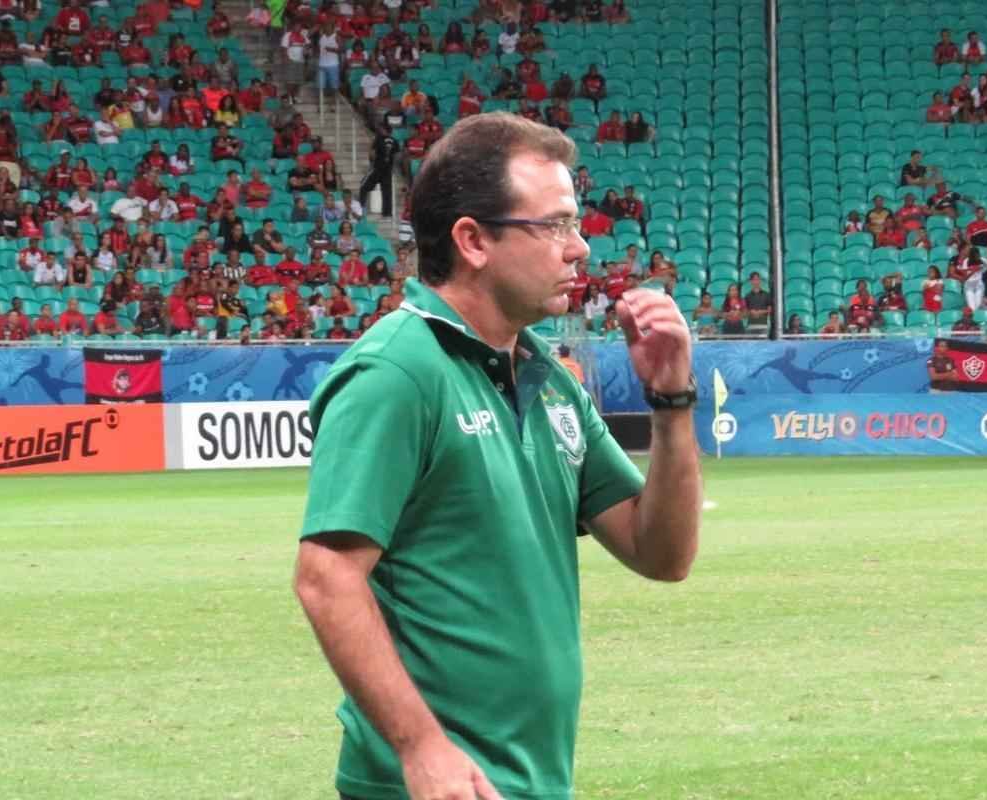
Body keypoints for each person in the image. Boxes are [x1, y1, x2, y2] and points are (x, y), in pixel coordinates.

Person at [294, 112, 700, 800]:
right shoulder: (397, 372)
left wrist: (672, 400)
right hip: (433, 786)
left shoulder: (545, 377)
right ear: (473, 240)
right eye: (556, 225)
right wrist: (422, 749)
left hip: (530, 778)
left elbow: (661, 554)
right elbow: (326, 575)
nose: (580, 250)